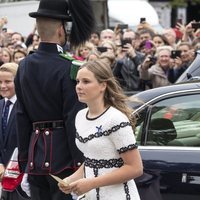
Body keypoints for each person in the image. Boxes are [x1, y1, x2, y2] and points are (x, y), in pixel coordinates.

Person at [14, 0, 95, 200]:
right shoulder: (70, 67)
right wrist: (80, 163)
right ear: (61, 30)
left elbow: (21, 117)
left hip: (35, 158)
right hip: (65, 160)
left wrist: (25, 161)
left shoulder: (23, 66)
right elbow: (73, 119)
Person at [58, 60, 143, 199]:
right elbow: (92, 158)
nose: (79, 86)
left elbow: (135, 168)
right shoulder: (80, 116)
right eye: (78, 81)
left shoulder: (116, 119)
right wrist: (71, 179)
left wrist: (92, 183)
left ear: (103, 85)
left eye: (86, 81)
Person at [0, 63, 23, 199]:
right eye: (0, 82)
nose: (3, 86)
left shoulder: (25, 106)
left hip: (20, 176)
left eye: (8, 81)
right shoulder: (1, 105)